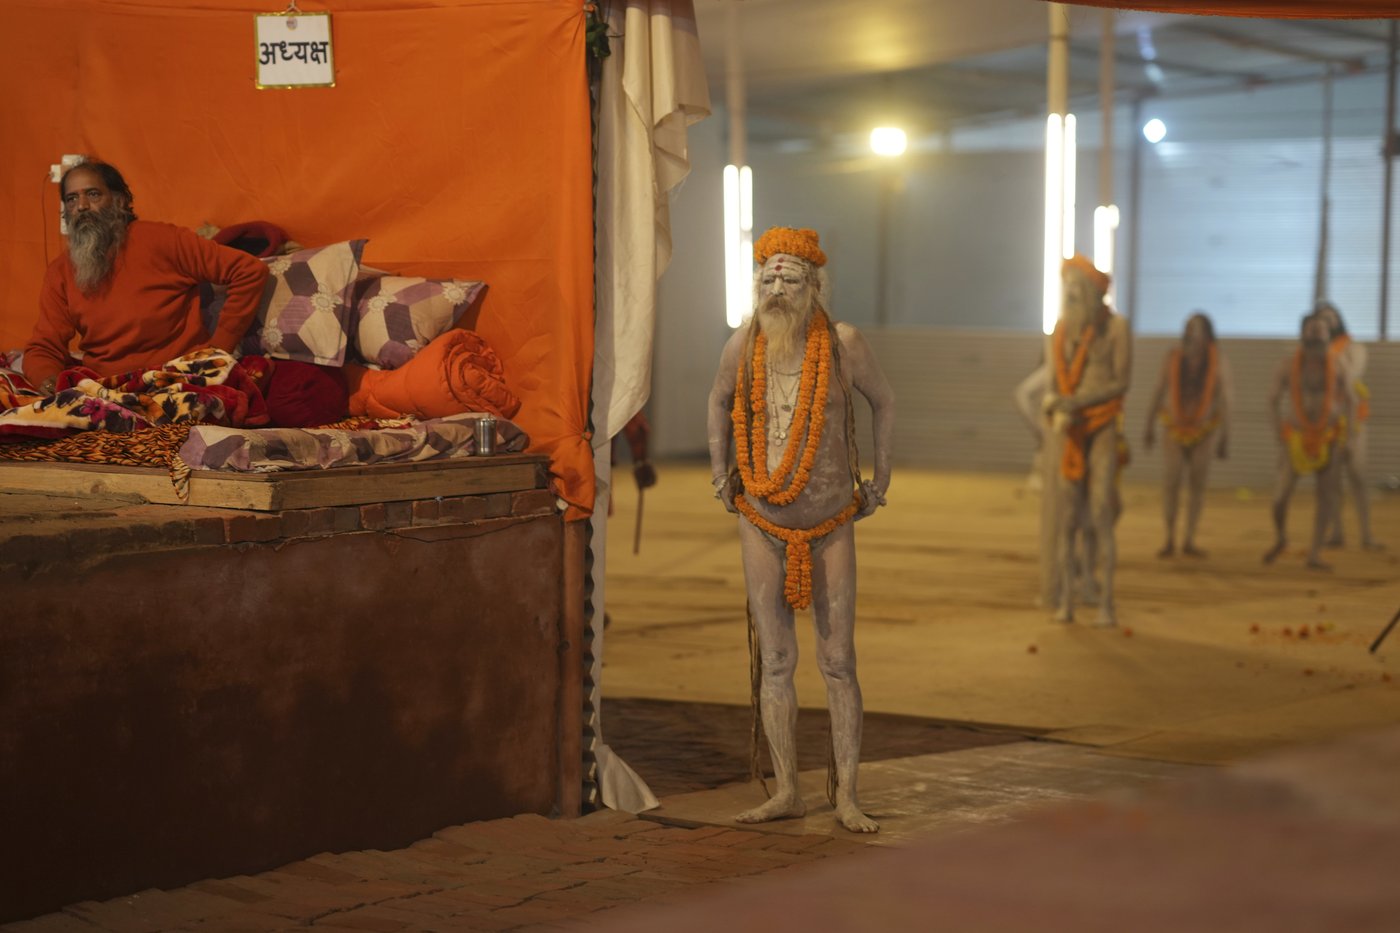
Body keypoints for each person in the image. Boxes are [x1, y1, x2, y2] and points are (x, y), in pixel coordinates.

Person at [707, 226, 893, 834]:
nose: (777, 288)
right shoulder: (744, 344)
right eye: (768, 278)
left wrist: (881, 480)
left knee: (839, 660)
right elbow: (719, 400)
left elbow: (883, 401)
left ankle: (847, 796)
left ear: (815, 285)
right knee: (777, 659)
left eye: (789, 278)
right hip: (762, 518)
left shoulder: (843, 343)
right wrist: (720, 471)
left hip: (832, 519)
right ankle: (787, 790)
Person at [23, 159, 269, 395]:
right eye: (71, 198)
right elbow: (44, 347)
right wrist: (48, 381)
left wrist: (218, 351)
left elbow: (249, 270)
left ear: (119, 201)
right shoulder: (60, 271)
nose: (82, 206)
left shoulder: (162, 240)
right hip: (105, 391)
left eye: (93, 194)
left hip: (177, 381)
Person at [1042, 254, 1131, 627]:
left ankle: (1106, 602)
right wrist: (1056, 406)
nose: (1072, 294)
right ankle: (1066, 601)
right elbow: (1051, 384)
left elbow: (1120, 382)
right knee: (1067, 518)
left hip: (1104, 426)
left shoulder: (1116, 328)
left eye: (1079, 288)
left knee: (1099, 512)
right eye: (1069, 288)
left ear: (1095, 293)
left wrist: (1079, 401)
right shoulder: (1061, 329)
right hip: (1070, 429)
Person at [1263, 312, 1354, 570]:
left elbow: (1351, 401)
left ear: (1328, 335)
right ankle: (1281, 537)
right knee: (1280, 497)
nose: (1315, 333)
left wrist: (1349, 439)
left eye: (1321, 329)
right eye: (1311, 329)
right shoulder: (1287, 364)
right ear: (1302, 333)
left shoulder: (1338, 365)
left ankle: (1314, 553)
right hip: (1296, 436)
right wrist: (1278, 433)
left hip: (1329, 436)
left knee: (1325, 496)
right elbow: (1271, 400)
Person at [1143, 312, 1230, 558]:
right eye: (1189, 327)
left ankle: (1189, 539)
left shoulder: (1217, 360)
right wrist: (1149, 424)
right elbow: (1159, 389)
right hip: (1174, 426)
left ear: (1207, 333)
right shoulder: (1173, 357)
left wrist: (1226, 434)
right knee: (1171, 481)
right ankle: (1169, 538)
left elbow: (1225, 398)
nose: (1192, 332)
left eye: (1198, 327)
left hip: (1205, 430)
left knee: (1197, 485)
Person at [1316, 301, 1379, 551]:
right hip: (1325, 423)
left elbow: (1352, 376)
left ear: (1339, 320)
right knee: (1331, 482)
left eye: (1331, 317)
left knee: (1358, 476)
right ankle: (1337, 532)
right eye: (1323, 318)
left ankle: (1367, 534)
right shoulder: (1312, 353)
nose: (1328, 321)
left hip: (1353, 422)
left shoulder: (1354, 348)